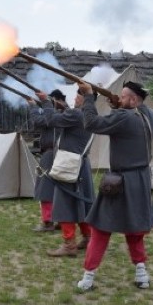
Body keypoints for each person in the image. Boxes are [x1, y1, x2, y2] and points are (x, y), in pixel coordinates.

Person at [75, 80, 153, 291]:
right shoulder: (151, 116)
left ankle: (88, 277)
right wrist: (117, 105)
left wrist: (88, 97)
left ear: (133, 99)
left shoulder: (124, 117)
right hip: (141, 180)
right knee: (135, 230)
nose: (119, 100)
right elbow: (128, 121)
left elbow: (91, 123)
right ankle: (142, 274)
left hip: (120, 181)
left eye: (123, 97)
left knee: (101, 229)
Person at [43, 88, 94, 257]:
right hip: (81, 165)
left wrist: (45, 102)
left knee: (64, 205)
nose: (75, 98)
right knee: (80, 205)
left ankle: (69, 244)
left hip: (69, 166)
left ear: (85, 98)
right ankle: (88, 237)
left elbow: (50, 120)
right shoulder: (89, 114)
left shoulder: (77, 114)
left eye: (78, 95)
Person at [28, 89, 66, 232]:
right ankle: (63, 220)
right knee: (61, 189)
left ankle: (48, 221)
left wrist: (33, 106)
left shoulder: (55, 115)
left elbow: (38, 121)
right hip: (60, 154)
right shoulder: (65, 114)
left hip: (50, 154)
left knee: (45, 189)